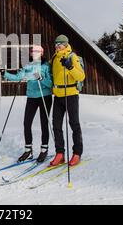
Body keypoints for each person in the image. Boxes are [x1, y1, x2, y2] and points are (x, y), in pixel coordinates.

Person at [2, 45, 53, 163]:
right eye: (32, 52)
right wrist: (5, 73)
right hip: (32, 97)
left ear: (41, 53)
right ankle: (28, 150)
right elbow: (17, 77)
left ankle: (44, 149)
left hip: (44, 96)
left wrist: (41, 79)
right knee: (26, 123)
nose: (34, 53)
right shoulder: (27, 66)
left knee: (44, 123)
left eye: (37, 51)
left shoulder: (46, 66)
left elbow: (51, 83)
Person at [49, 35, 85, 167]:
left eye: (60, 44)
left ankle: (77, 153)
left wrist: (70, 67)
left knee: (74, 124)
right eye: (56, 43)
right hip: (58, 96)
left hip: (71, 94)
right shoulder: (54, 58)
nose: (58, 46)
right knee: (56, 125)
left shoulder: (72, 57)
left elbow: (81, 76)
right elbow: (50, 74)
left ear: (66, 44)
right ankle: (60, 154)